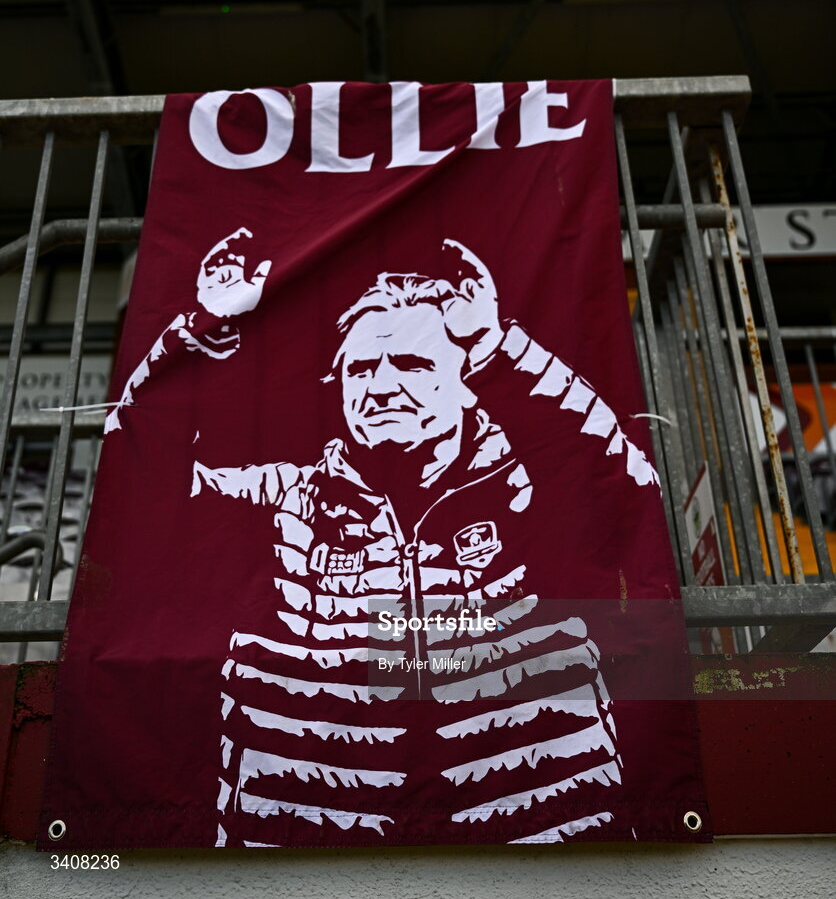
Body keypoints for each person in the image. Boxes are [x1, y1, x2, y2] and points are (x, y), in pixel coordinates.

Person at [111, 232, 659, 847]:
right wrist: (201, 333)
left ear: (469, 377)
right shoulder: (286, 496)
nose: (378, 387)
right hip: (304, 845)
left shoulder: (527, 480)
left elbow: (625, 480)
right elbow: (135, 482)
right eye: (361, 369)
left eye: (414, 364)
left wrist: (500, 345)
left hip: (546, 833)